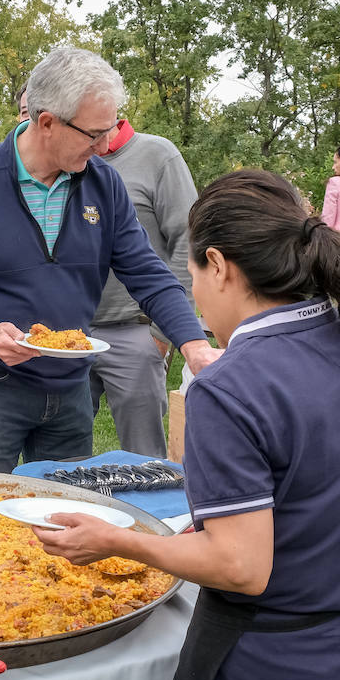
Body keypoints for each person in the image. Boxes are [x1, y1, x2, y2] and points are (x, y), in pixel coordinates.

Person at [34, 169, 340, 680]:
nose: (194, 296)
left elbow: (240, 566)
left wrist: (116, 541)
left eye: (193, 275)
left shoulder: (230, 387)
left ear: (218, 266)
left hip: (272, 677)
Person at [0, 47, 216, 473]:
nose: (106, 145)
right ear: (46, 123)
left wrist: (194, 345)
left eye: (109, 130)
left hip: (71, 386)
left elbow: (147, 274)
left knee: (64, 519)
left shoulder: (103, 185)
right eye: (94, 134)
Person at [88, 118, 197, 458]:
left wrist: (162, 334)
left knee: (145, 461)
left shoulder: (158, 155)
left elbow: (188, 240)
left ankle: (149, 514)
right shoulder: (62, 164)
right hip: (69, 337)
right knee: (63, 457)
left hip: (135, 333)